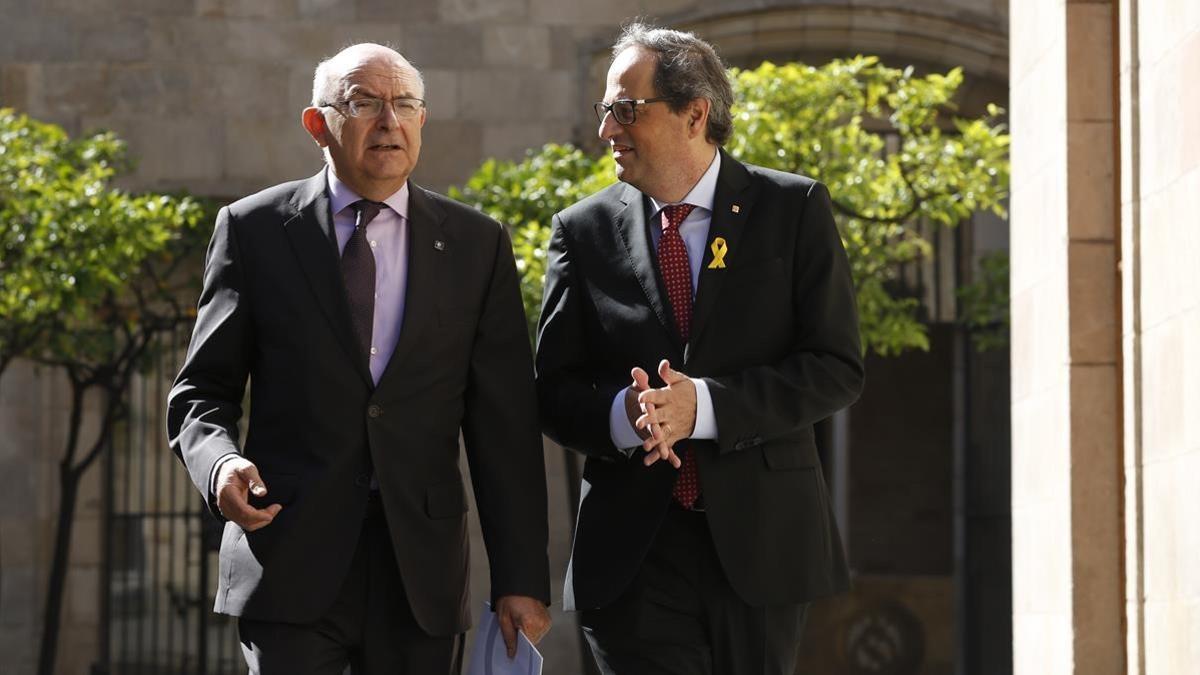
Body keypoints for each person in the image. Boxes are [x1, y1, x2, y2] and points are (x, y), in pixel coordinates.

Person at [166, 43, 550, 675]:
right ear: (318, 123)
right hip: (287, 555)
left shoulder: (476, 244)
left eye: (404, 104)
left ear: (423, 122)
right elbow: (200, 390)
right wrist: (219, 463)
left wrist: (520, 577)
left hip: (420, 572)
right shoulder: (254, 230)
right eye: (365, 102)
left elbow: (502, 428)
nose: (388, 121)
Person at [535, 23, 865, 675]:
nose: (608, 130)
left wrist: (704, 408)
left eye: (627, 111)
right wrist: (621, 417)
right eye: (606, 111)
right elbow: (552, 390)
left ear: (695, 113)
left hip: (763, 549)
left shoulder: (791, 208)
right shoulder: (581, 230)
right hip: (634, 557)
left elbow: (835, 367)